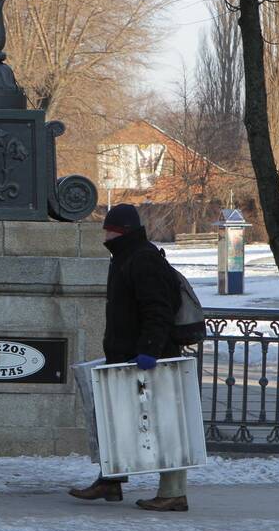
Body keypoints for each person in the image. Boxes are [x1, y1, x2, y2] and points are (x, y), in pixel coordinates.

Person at [69, 203, 189, 512]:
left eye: (107, 228)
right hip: (128, 357)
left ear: (118, 230)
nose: (104, 234)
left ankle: (173, 492)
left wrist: (149, 350)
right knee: (118, 421)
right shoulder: (126, 257)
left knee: (165, 425)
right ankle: (110, 480)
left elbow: (158, 310)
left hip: (150, 359)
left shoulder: (143, 260)